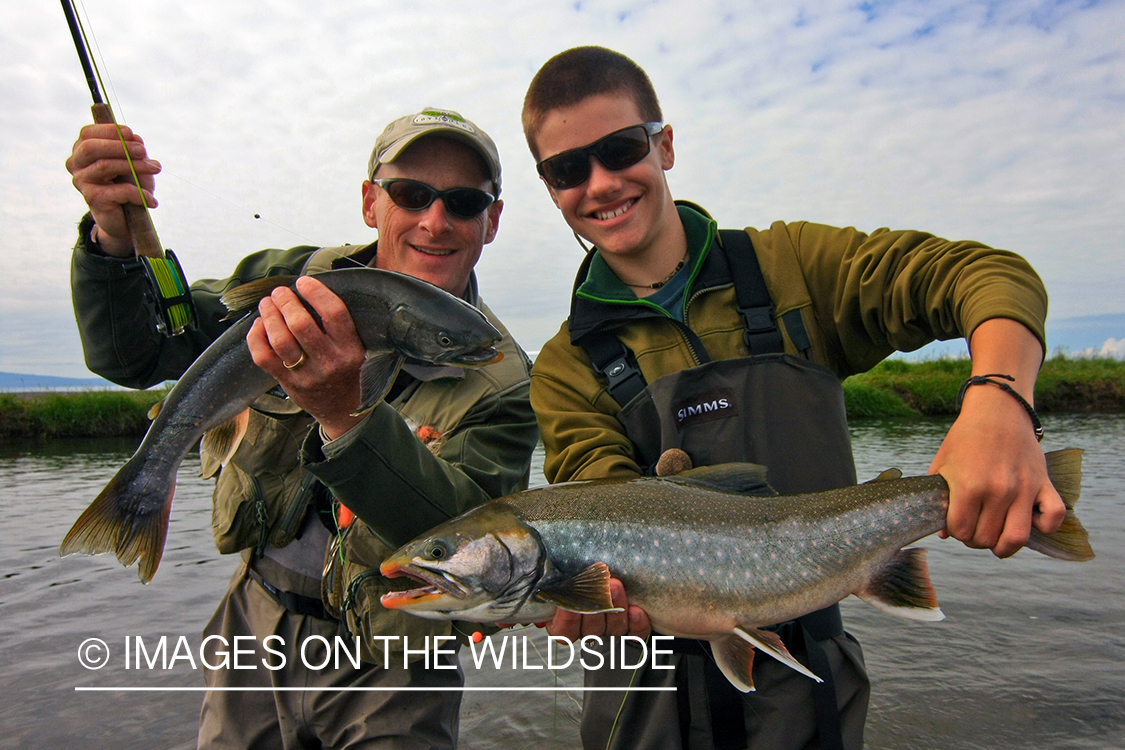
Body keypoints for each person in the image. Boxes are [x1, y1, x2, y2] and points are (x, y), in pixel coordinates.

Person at [521, 46, 1063, 750]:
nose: (598, 184)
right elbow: (596, 501)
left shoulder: (791, 268)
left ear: (664, 145)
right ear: (548, 186)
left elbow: (983, 273)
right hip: (644, 694)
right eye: (567, 169)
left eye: (620, 149)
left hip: (809, 675)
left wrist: (997, 398)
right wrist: (590, 598)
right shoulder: (564, 365)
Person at [66, 107, 538, 749]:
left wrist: (345, 417)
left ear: (492, 219)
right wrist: (113, 241)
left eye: (462, 201)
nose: (435, 219)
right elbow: (138, 352)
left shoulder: (503, 377)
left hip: (396, 663)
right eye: (411, 194)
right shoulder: (294, 277)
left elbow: (479, 543)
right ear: (372, 202)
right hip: (254, 629)